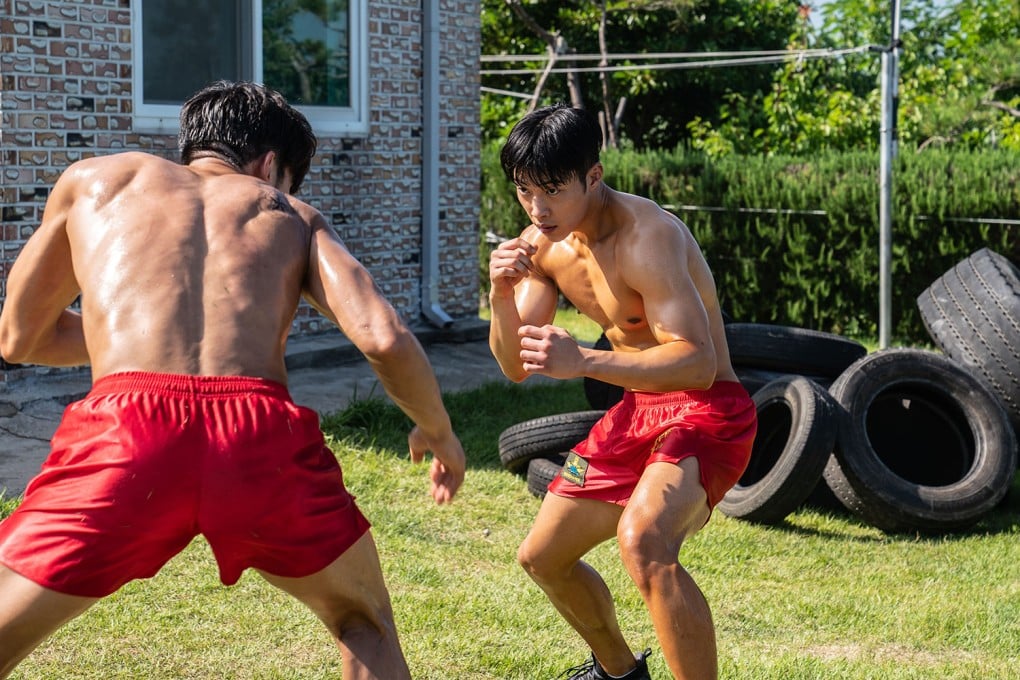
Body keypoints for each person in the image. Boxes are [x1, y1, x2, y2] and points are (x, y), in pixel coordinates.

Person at [0, 80, 466, 679]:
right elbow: (383, 336)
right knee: (363, 623)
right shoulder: (289, 213)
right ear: (271, 165)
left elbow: (19, 338)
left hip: (123, 434)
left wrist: (133, 344)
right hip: (257, 436)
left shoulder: (93, 180)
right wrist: (439, 431)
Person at [488, 104, 757, 680]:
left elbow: (699, 363)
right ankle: (620, 673)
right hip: (636, 409)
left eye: (552, 191)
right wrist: (500, 297)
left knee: (644, 543)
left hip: (707, 411)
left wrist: (583, 358)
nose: (537, 209)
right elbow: (515, 366)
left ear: (593, 176)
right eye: (524, 191)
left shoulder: (648, 238)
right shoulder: (544, 246)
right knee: (543, 558)